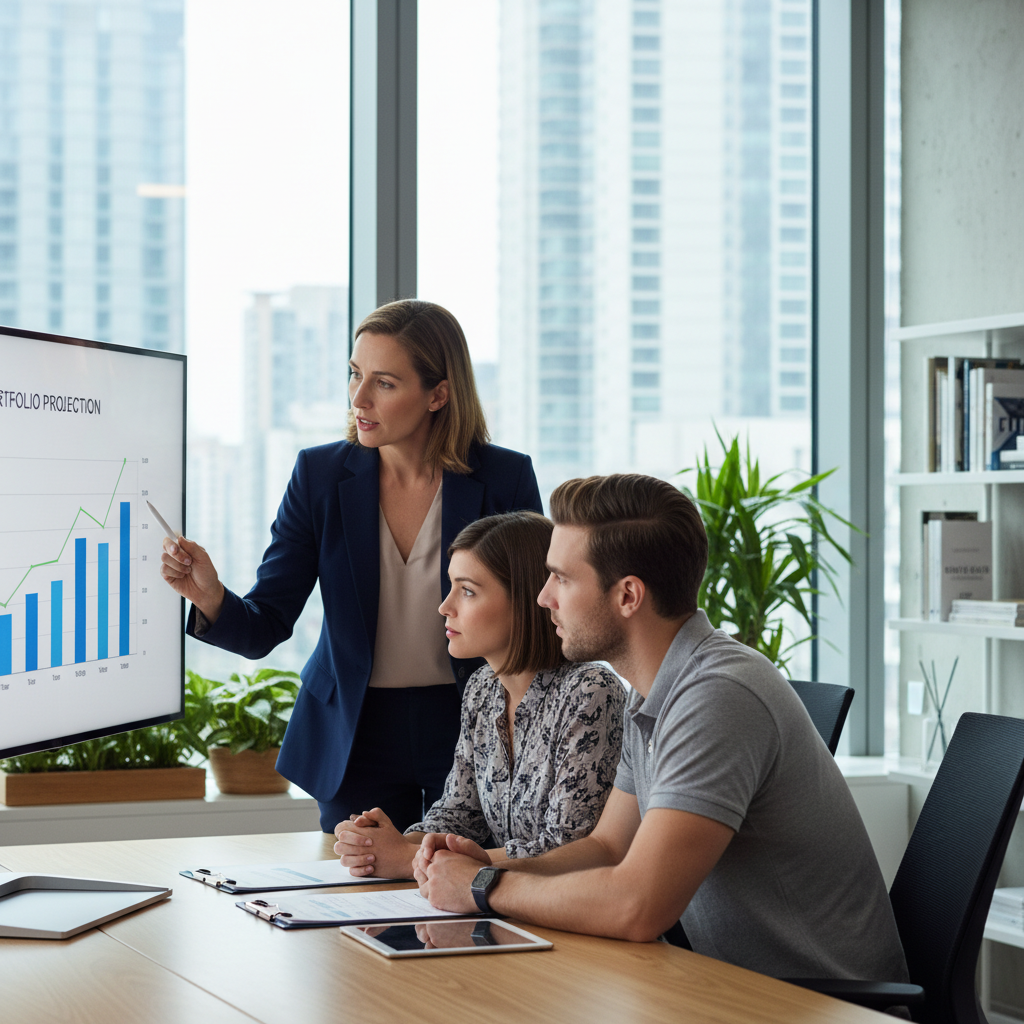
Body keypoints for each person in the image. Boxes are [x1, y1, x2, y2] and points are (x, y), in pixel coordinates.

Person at [412, 473, 910, 983]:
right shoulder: (653, 692)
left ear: (628, 595)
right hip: (728, 988)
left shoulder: (717, 695)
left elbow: (638, 906)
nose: (542, 598)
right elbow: (608, 847)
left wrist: (483, 888)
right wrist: (491, 870)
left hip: (817, 1005)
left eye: (561, 578)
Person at [159, 300, 542, 833]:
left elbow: (532, 618)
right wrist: (210, 596)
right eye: (355, 374)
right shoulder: (319, 475)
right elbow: (266, 623)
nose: (359, 398)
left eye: (384, 383)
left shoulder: (505, 477)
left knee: (463, 885)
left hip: (471, 721)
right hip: (356, 732)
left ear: (438, 394)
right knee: (360, 898)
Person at [333, 511, 626, 880]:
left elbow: (568, 847)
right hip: (505, 907)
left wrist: (411, 863)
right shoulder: (482, 688)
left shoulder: (591, 692)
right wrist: (388, 845)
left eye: (467, 591)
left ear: (525, 599)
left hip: (573, 912)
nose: (445, 606)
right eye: (451, 586)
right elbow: (460, 814)